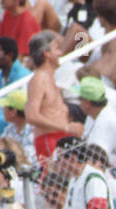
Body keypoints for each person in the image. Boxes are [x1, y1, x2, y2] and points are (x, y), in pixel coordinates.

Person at [25, 31, 80, 161]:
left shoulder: (49, 78)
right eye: (57, 49)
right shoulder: (39, 79)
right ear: (46, 53)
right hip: (49, 139)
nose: (61, 53)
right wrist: (66, 127)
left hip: (59, 138)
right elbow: (31, 115)